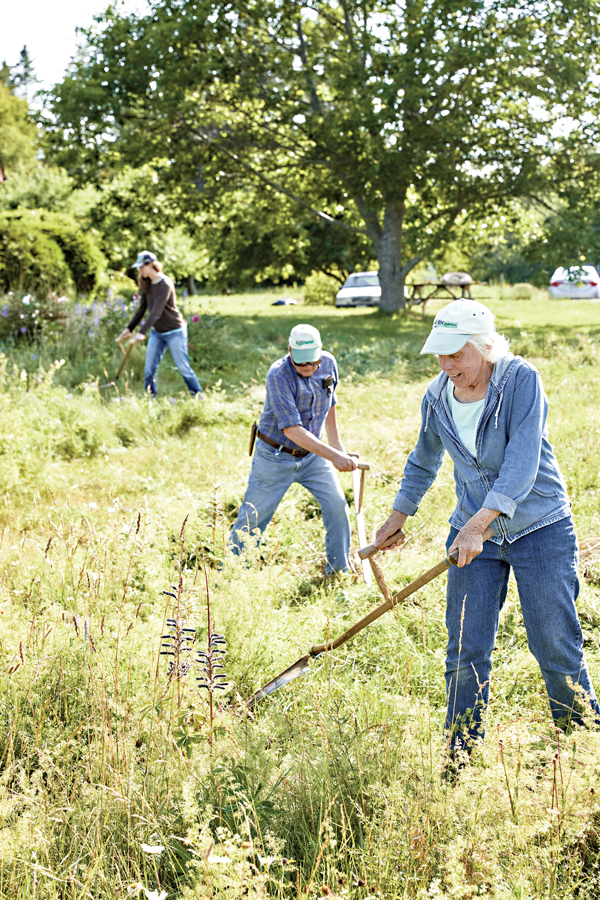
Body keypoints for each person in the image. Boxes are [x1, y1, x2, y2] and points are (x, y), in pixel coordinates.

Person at [373, 299, 600, 758]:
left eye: (457, 354)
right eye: (440, 354)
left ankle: (583, 748)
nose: (447, 365)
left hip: (539, 527)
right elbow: (423, 459)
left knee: (554, 644)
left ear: (485, 347)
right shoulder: (437, 396)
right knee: (464, 650)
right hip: (473, 536)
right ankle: (460, 755)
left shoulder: (520, 381)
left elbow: (522, 464)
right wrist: (397, 518)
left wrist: (479, 524)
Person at [230, 324, 358, 575]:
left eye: (313, 362)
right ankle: (233, 574)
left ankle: (339, 570)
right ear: (289, 352)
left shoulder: (329, 363)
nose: (309, 368)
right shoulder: (278, 375)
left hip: (313, 456)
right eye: (301, 364)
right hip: (275, 456)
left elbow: (330, 404)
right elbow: (292, 430)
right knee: (253, 518)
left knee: (337, 507)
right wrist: (334, 456)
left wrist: (337, 448)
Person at [116, 251, 203, 398]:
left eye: (142, 267)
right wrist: (129, 329)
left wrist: (141, 332)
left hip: (175, 331)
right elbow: (142, 309)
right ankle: (150, 400)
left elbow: (156, 312)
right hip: (157, 333)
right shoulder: (147, 283)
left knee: (183, 368)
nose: (140, 270)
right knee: (149, 369)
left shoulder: (165, 284)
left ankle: (199, 398)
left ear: (150, 265)